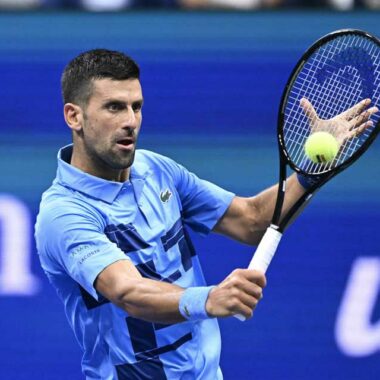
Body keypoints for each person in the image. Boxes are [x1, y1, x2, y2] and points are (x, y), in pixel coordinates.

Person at [34, 49, 375, 380]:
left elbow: (252, 220)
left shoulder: (157, 170)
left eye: (136, 107)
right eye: (114, 108)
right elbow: (127, 291)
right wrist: (210, 298)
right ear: (73, 116)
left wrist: (311, 170)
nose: (130, 121)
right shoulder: (63, 213)